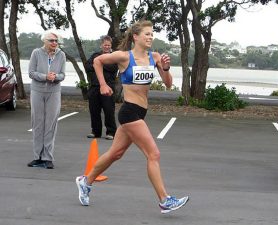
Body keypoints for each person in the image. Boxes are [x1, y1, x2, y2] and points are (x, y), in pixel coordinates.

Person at [75, 20, 189, 213]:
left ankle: (86, 181)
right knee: (153, 154)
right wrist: (103, 84)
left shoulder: (155, 57)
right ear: (135, 37)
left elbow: (168, 84)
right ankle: (164, 200)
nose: (150, 37)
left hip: (140, 113)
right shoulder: (124, 57)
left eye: (152, 34)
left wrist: (167, 69)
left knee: (115, 154)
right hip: (129, 112)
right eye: (147, 34)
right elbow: (97, 61)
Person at [27, 30, 66, 169]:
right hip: (37, 91)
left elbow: (63, 74)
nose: (54, 43)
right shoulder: (36, 53)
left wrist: (55, 77)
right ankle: (37, 157)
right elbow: (31, 73)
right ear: (45, 41)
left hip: (54, 92)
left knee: (51, 124)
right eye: (51, 41)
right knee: (37, 123)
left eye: (56, 41)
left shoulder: (61, 55)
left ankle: (47, 157)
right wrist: (45, 76)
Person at [85, 35, 118, 140]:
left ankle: (111, 132)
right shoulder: (95, 55)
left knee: (109, 110)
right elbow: (88, 66)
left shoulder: (114, 56)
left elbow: (113, 68)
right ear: (101, 45)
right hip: (94, 87)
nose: (107, 47)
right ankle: (95, 131)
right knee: (94, 110)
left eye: (108, 45)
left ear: (111, 45)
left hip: (108, 88)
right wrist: (98, 65)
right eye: (105, 45)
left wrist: (98, 64)